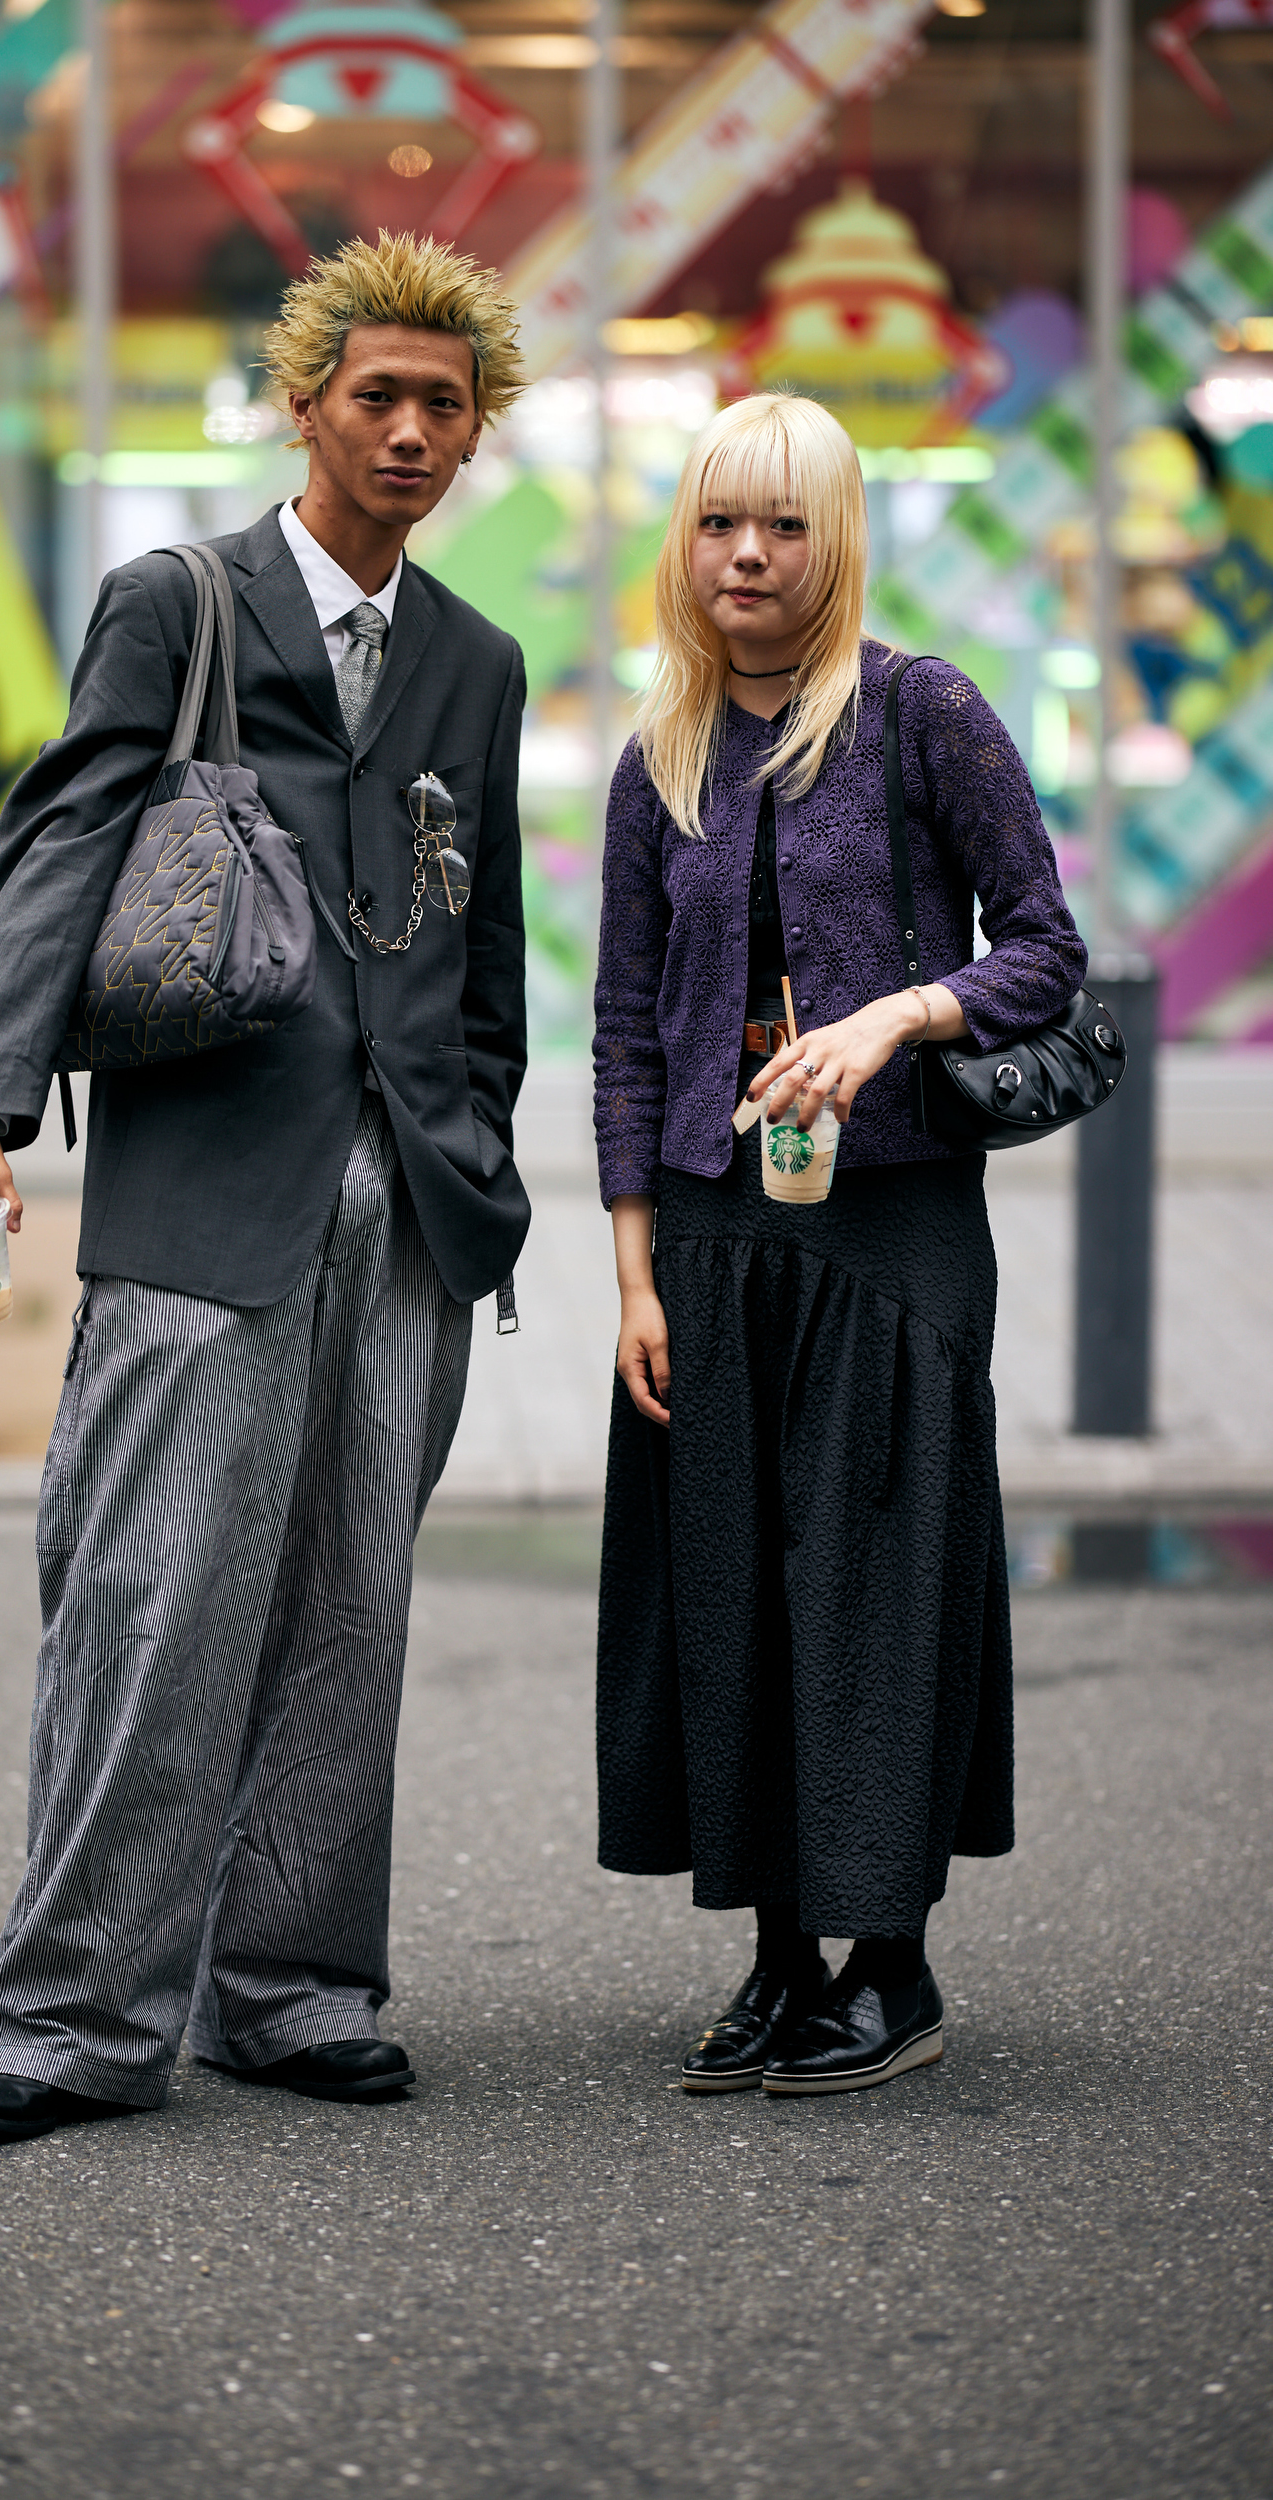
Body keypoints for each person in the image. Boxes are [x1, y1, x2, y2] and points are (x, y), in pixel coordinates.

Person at [0, 232, 530, 2143]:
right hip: (206, 1183)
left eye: (446, 406)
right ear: (305, 404)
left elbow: (485, 936)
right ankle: (73, 2016)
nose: (410, 433)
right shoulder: (178, 603)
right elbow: (61, 851)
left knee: (353, 1609)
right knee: (153, 1597)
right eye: (379, 399)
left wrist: (478, 1142)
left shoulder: (478, 663)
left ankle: (287, 1985)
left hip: (407, 1201)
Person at [592, 391, 1086, 2098]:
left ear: (836, 541)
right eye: (723, 519)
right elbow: (622, 1040)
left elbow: (1044, 950)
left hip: (891, 1233)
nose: (749, 554)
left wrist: (896, 1020)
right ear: (686, 536)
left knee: (873, 1593)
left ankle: (891, 1964)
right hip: (713, 1239)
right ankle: (775, 1960)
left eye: (786, 525)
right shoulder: (657, 754)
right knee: (727, 1598)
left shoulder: (917, 713)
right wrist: (634, 1275)